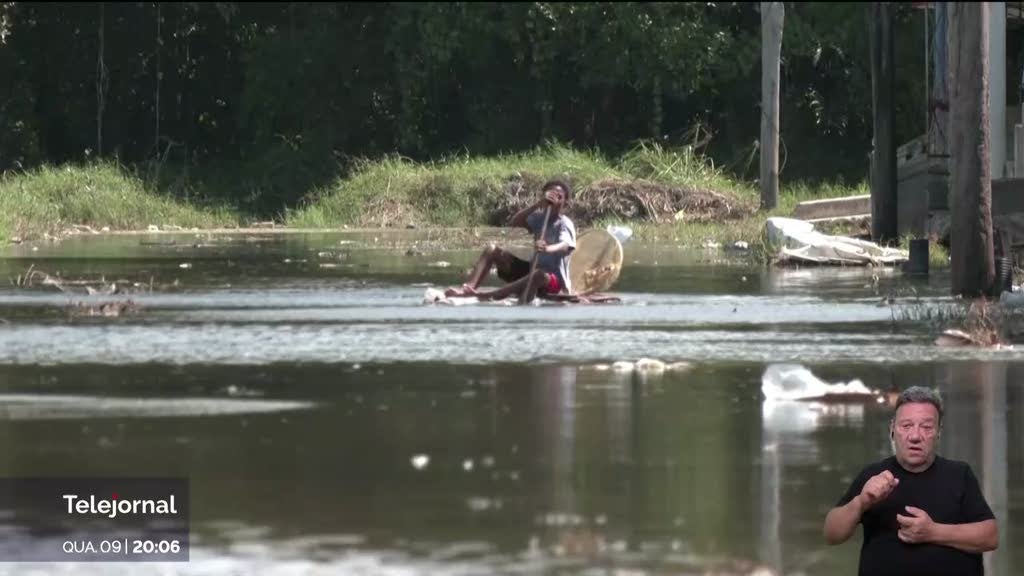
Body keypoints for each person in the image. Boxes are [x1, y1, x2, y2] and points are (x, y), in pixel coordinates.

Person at [823, 386, 999, 576]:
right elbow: (832, 534)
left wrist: (933, 532)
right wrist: (861, 502)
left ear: (938, 432)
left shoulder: (959, 474)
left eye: (926, 427)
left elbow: (990, 537)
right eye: (906, 426)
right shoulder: (873, 476)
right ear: (892, 429)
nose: (915, 436)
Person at [445, 179, 576, 301]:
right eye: (550, 194)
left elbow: (565, 245)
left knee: (539, 274)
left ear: (565, 202)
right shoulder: (539, 218)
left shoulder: (565, 223)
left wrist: (547, 248)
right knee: (492, 250)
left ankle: (487, 296)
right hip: (530, 273)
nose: (554, 199)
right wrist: (536, 205)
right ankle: (467, 289)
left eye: (559, 196)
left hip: (553, 282)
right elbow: (515, 222)